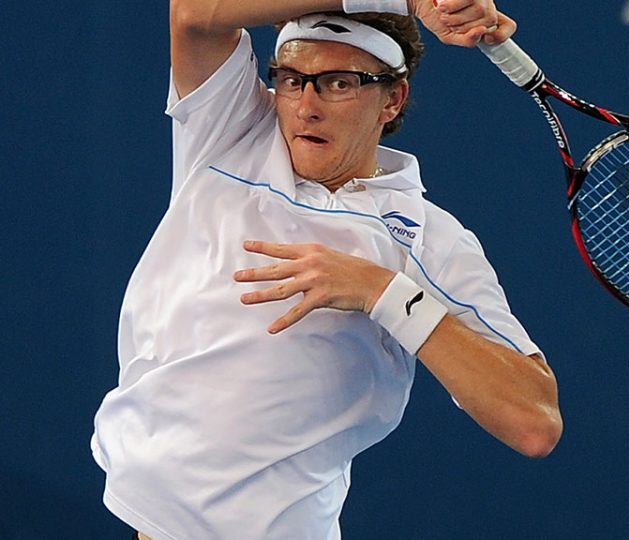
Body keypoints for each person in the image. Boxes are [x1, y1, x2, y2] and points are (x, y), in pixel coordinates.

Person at [90, 0, 562, 538]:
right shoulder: (231, 136)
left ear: (393, 98)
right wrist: (405, 0)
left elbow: (534, 422)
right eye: (291, 80)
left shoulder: (432, 241)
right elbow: (195, 14)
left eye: (338, 83)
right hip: (149, 523)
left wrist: (382, 291)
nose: (306, 106)